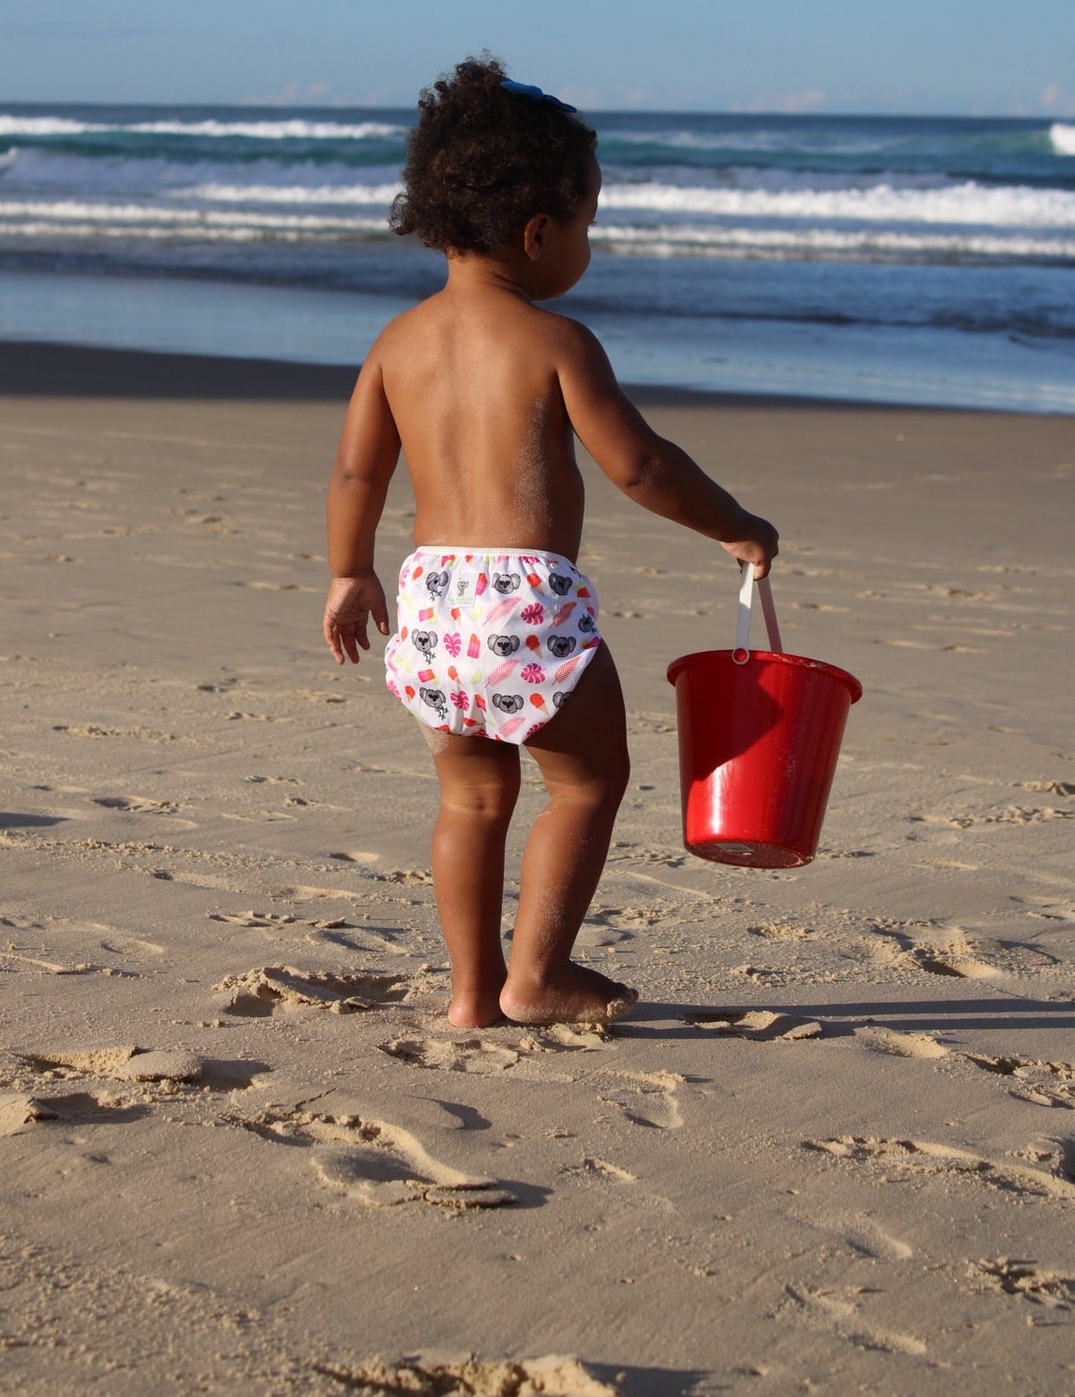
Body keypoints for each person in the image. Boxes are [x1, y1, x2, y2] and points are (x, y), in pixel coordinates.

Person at [323, 55, 778, 1028]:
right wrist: (737, 525)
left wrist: (348, 573)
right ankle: (538, 975)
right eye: (588, 226)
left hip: (434, 603)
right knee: (587, 776)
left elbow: (357, 473)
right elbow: (642, 466)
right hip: (523, 605)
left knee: (472, 802)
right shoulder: (556, 344)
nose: (587, 246)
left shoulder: (395, 343)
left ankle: (469, 996)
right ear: (538, 234)